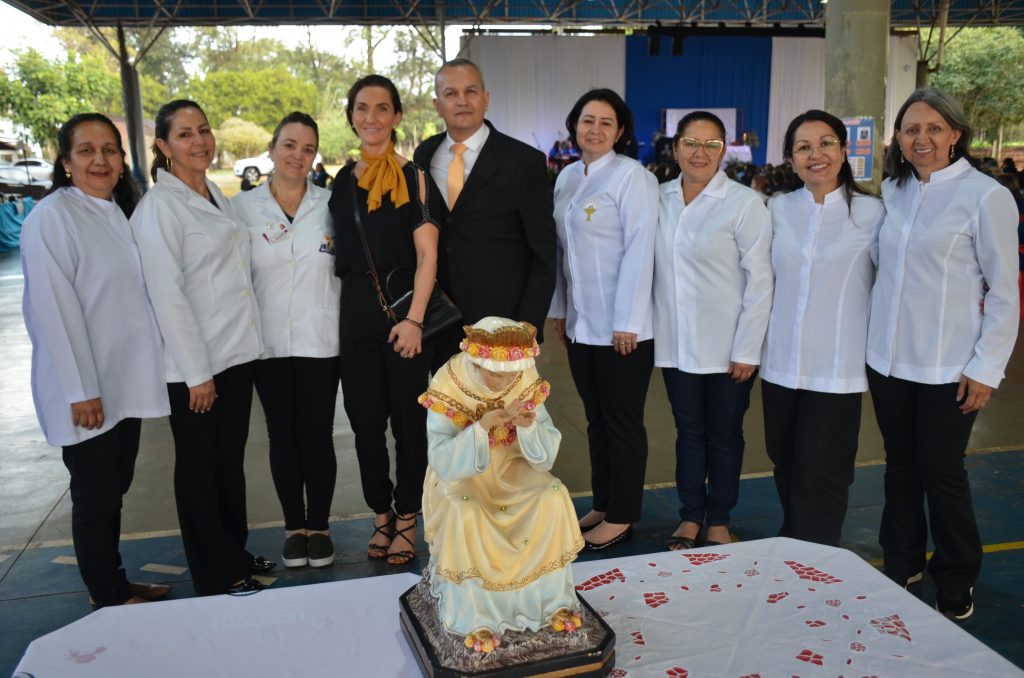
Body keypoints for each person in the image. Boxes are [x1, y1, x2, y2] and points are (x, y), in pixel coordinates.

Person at [868, 87, 1019, 621]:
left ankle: (956, 573)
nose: (922, 138)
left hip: (948, 365)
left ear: (955, 134)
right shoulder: (893, 190)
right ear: (898, 137)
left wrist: (986, 368)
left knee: (942, 470)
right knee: (900, 466)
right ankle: (902, 558)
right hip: (888, 361)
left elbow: (1005, 292)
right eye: (911, 129)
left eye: (934, 128)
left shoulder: (985, 196)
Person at [20, 113, 171, 608]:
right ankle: (107, 594)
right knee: (95, 494)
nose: (100, 160)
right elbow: (54, 310)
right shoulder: (53, 218)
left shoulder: (115, 211)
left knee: (114, 486)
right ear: (65, 162)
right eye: (86, 151)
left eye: (109, 150)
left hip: (121, 381)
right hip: (86, 389)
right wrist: (81, 390)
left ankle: (114, 581)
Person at [130, 99, 271, 596]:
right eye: (185, 134)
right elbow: (167, 295)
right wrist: (197, 374)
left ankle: (233, 550)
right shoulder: (159, 208)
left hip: (235, 355)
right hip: (197, 368)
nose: (200, 142)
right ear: (164, 146)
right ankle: (216, 571)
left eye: (204, 131)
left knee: (229, 464)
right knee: (199, 470)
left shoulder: (214, 193)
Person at [420, 317, 584, 652]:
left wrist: (528, 427)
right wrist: (480, 429)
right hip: (464, 473)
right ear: (476, 362)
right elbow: (440, 457)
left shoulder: (522, 375)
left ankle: (550, 601)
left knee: (552, 494)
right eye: (497, 374)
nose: (507, 381)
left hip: (513, 464)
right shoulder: (449, 382)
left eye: (512, 374)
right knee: (465, 510)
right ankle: (475, 614)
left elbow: (546, 447)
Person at [760, 110, 885, 547]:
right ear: (791, 159)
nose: (816, 154)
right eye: (804, 147)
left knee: (825, 466)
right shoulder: (777, 209)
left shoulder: (872, 213)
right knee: (784, 458)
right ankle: (795, 537)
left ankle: (818, 549)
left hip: (836, 365)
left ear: (845, 151)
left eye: (827, 143)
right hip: (780, 363)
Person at [328, 75, 439, 566]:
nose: (370, 117)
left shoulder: (414, 177)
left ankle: (409, 515)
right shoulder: (341, 182)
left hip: (404, 314)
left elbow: (428, 255)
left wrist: (414, 320)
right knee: (365, 422)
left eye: (381, 108)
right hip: (355, 314)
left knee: (409, 423)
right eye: (361, 108)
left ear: (396, 116)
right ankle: (381, 513)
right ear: (351, 116)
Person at [653, 111, 773, 550]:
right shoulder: (659, 198)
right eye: (691, 143)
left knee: (723, 434)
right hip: (677, 344)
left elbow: (761, 281)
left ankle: (718, 518)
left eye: (711, 145)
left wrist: (748, 349)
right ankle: (690, 516)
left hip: (728, 349)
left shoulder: (744, 203)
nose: (699, 153)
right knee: (688, 433)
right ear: (675, 147)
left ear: (724, 151)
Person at [548, 89, 658, 550]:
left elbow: (640, 249)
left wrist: (627, 319)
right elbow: (561, 252)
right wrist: (560, 310)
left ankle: (623, 514)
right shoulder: (568, 177)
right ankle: (604, 502)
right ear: (575, 125)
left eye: (606, 122)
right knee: (596, 420)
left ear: (621, 131)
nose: (595, 129)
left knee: (622, 422)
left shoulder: (633, 177)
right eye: (587, 120)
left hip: (623, 330)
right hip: (581, 326)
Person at [233, 112, 340, 569]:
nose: (298, 155)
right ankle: (294, 527)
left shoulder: (332, 205)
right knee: (281, 435)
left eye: (308, 148)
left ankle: (320, 527)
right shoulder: (241, 209)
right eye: (289, 145)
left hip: (321, 339)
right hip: (267, 341)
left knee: (317, 434)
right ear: (272, 150)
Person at [413, 58, 556, 368]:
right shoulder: (423, 155)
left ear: (486, 99)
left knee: (498, 403)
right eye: (451, 94)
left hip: (502, 325)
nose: (462, 101)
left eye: (471, 91)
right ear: (438, 105)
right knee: (445, 400)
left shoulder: (523, 161)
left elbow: (544, 253)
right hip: (440, 320)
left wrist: (526, 327)